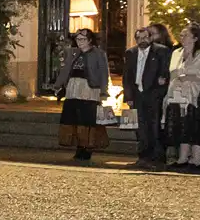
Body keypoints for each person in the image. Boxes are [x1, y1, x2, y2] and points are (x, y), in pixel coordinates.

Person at [50, 28, 109, 161]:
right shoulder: (72, 53)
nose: (80, 42)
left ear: (89, 40)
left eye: (83, 39)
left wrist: (104, 91)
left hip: (89, 88)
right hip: (73, 87)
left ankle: (87, 147)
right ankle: (79, 147)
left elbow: (103, 73)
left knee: (87, 118)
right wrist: (58, 85)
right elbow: (65, 70)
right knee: (74, 118)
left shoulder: (99, 54)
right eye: (78, 39)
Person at [164, 22, 200, 169]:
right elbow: (173, 72)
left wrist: (189, 76)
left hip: (196, 95)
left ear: (194, 37)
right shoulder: (176, 53)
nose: (182, 37)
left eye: (185, 35)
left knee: (196, 125)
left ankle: (197, 159)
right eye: (181, 35)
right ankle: (182, 157)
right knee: (181, 125)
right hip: (178, 94)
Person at [122, 25, 172, 167]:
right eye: (139, 38)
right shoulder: (130, 53)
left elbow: (165, 72)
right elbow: (127, 76)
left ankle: (156, 158)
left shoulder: (161, 51)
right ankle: (143, 156)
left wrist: (161, 89)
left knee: (154, 126)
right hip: (138, 94)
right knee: (140, 127)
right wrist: (129, 97)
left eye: (145, 37)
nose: (142, 40)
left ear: (150, 38)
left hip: (154, 93)